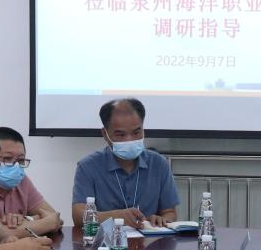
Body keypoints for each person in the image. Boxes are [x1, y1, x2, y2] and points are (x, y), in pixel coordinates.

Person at [71, 98, 180, 228]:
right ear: (105, 134)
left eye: (136, 132)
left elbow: (170, 212)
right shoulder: (88, 166)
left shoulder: (159, 164)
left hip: (149, 238)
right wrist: (116, 217)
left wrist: (162, 219)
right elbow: (78, 216)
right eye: (121, 134)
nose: (129, 139)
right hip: (106, 240)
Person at [0, 127, 64, 236]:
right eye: (7, 158)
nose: (16, 166)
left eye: (21, 160)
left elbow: (56, 218)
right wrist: (47, 223)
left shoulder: (22, 181)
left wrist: (26, 220)